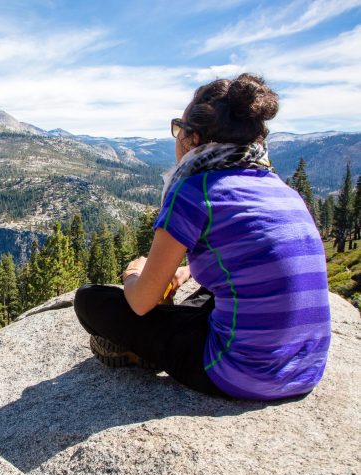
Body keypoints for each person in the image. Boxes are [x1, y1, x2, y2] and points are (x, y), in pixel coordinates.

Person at [73, 73, 331, 401]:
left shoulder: (195, 190)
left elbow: (139, 303)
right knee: (211, 298)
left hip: (240, 372)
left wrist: (135, 274)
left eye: (178, 128)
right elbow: (248, 264)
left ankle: (141, 352)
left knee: (90, 300)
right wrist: (183, 272)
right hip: (305, 370)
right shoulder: (281, 189)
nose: (176, 137)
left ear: (193, 140)